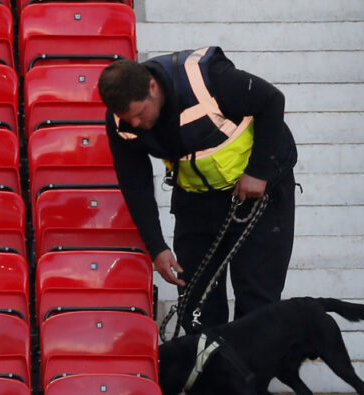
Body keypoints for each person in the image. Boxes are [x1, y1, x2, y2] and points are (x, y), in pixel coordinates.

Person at [97, 46, 298, 334]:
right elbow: (134, 183)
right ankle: (207, 376)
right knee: (197, 308)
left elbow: (272, 100)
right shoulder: (121, 121)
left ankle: (250, 377)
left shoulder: (208, 78)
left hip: (260, 194)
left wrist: (257, 173)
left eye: (140, 113)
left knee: (257, 304)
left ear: (152, 87)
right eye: (129, 119)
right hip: (196, 201)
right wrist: (157, 247)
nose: (136, 124)